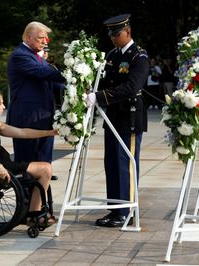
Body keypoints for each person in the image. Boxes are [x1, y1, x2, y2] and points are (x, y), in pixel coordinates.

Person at [86, 14, 149, 227]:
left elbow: (132, 87)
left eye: (117, 33)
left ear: (128, 32)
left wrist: (101, 97)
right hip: (112, 116)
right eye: (111, 34)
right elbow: (104, 80)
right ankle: (115, 210)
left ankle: (127, 211)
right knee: (111, 163)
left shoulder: (138, 57)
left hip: (129, 116)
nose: (113, 38)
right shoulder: (112, 55)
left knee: (126, 164)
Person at [0, 89, 57, 224]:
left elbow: (23, 132)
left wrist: (51, 132)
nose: (4, 107)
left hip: (3, 164)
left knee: (45, 169)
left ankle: (33, 212)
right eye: (1, 103)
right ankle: (33, 214)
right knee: (45, 169)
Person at [6, 21, 65, 181]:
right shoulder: (20, 55)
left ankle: (38, 203)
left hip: (43, 118)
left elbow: (53, 82)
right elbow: (42, 72)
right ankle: (26, 203)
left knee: (43, 165)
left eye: (46, 39)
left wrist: (75, 87)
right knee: (27, 168)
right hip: (28, 120)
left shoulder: (36, 57)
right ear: (28, 37)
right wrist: (70, 70)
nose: (45, 42)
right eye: (41, 38)